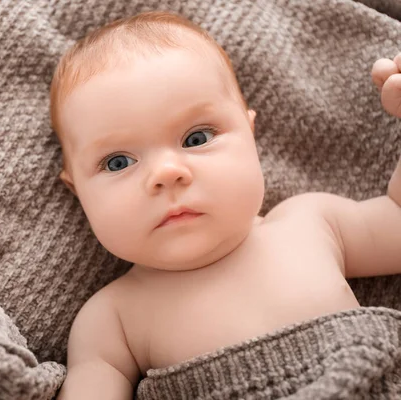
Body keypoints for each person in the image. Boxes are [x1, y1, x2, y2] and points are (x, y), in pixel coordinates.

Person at [49, 10, 401, 399]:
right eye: (118, 162)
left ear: (250, 134)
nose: (167, 173)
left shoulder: (311, 223)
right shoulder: (111, 318)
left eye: (197, 138)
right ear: (78, 190)